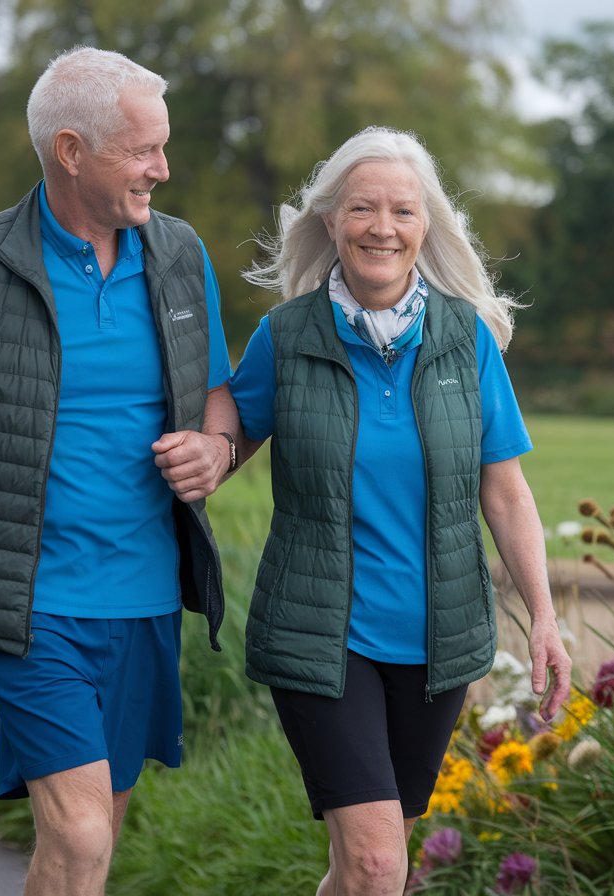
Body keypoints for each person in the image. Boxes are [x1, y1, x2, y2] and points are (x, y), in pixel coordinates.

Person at [0, 47, 238, 896]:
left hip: (147, 603)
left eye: (163, 147)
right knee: (79, 839)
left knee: (87, 845)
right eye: (143, 150)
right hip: (29, 607)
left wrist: (215, 451)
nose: (164, 169)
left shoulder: (179, 255)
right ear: (71, 151)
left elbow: (219, 401)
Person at [228, 126, 572, 895]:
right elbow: (224, 445)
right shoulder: (284, 338)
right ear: (330, 223)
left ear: (426, 226)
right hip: (322, 635)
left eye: (402, 211)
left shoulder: (465, 339)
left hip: (436, 642)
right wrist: (193, 455)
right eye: (362, 208)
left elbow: (505, 489)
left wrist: (544, 618)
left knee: (367, 868)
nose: (382, 227)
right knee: (381, 862)